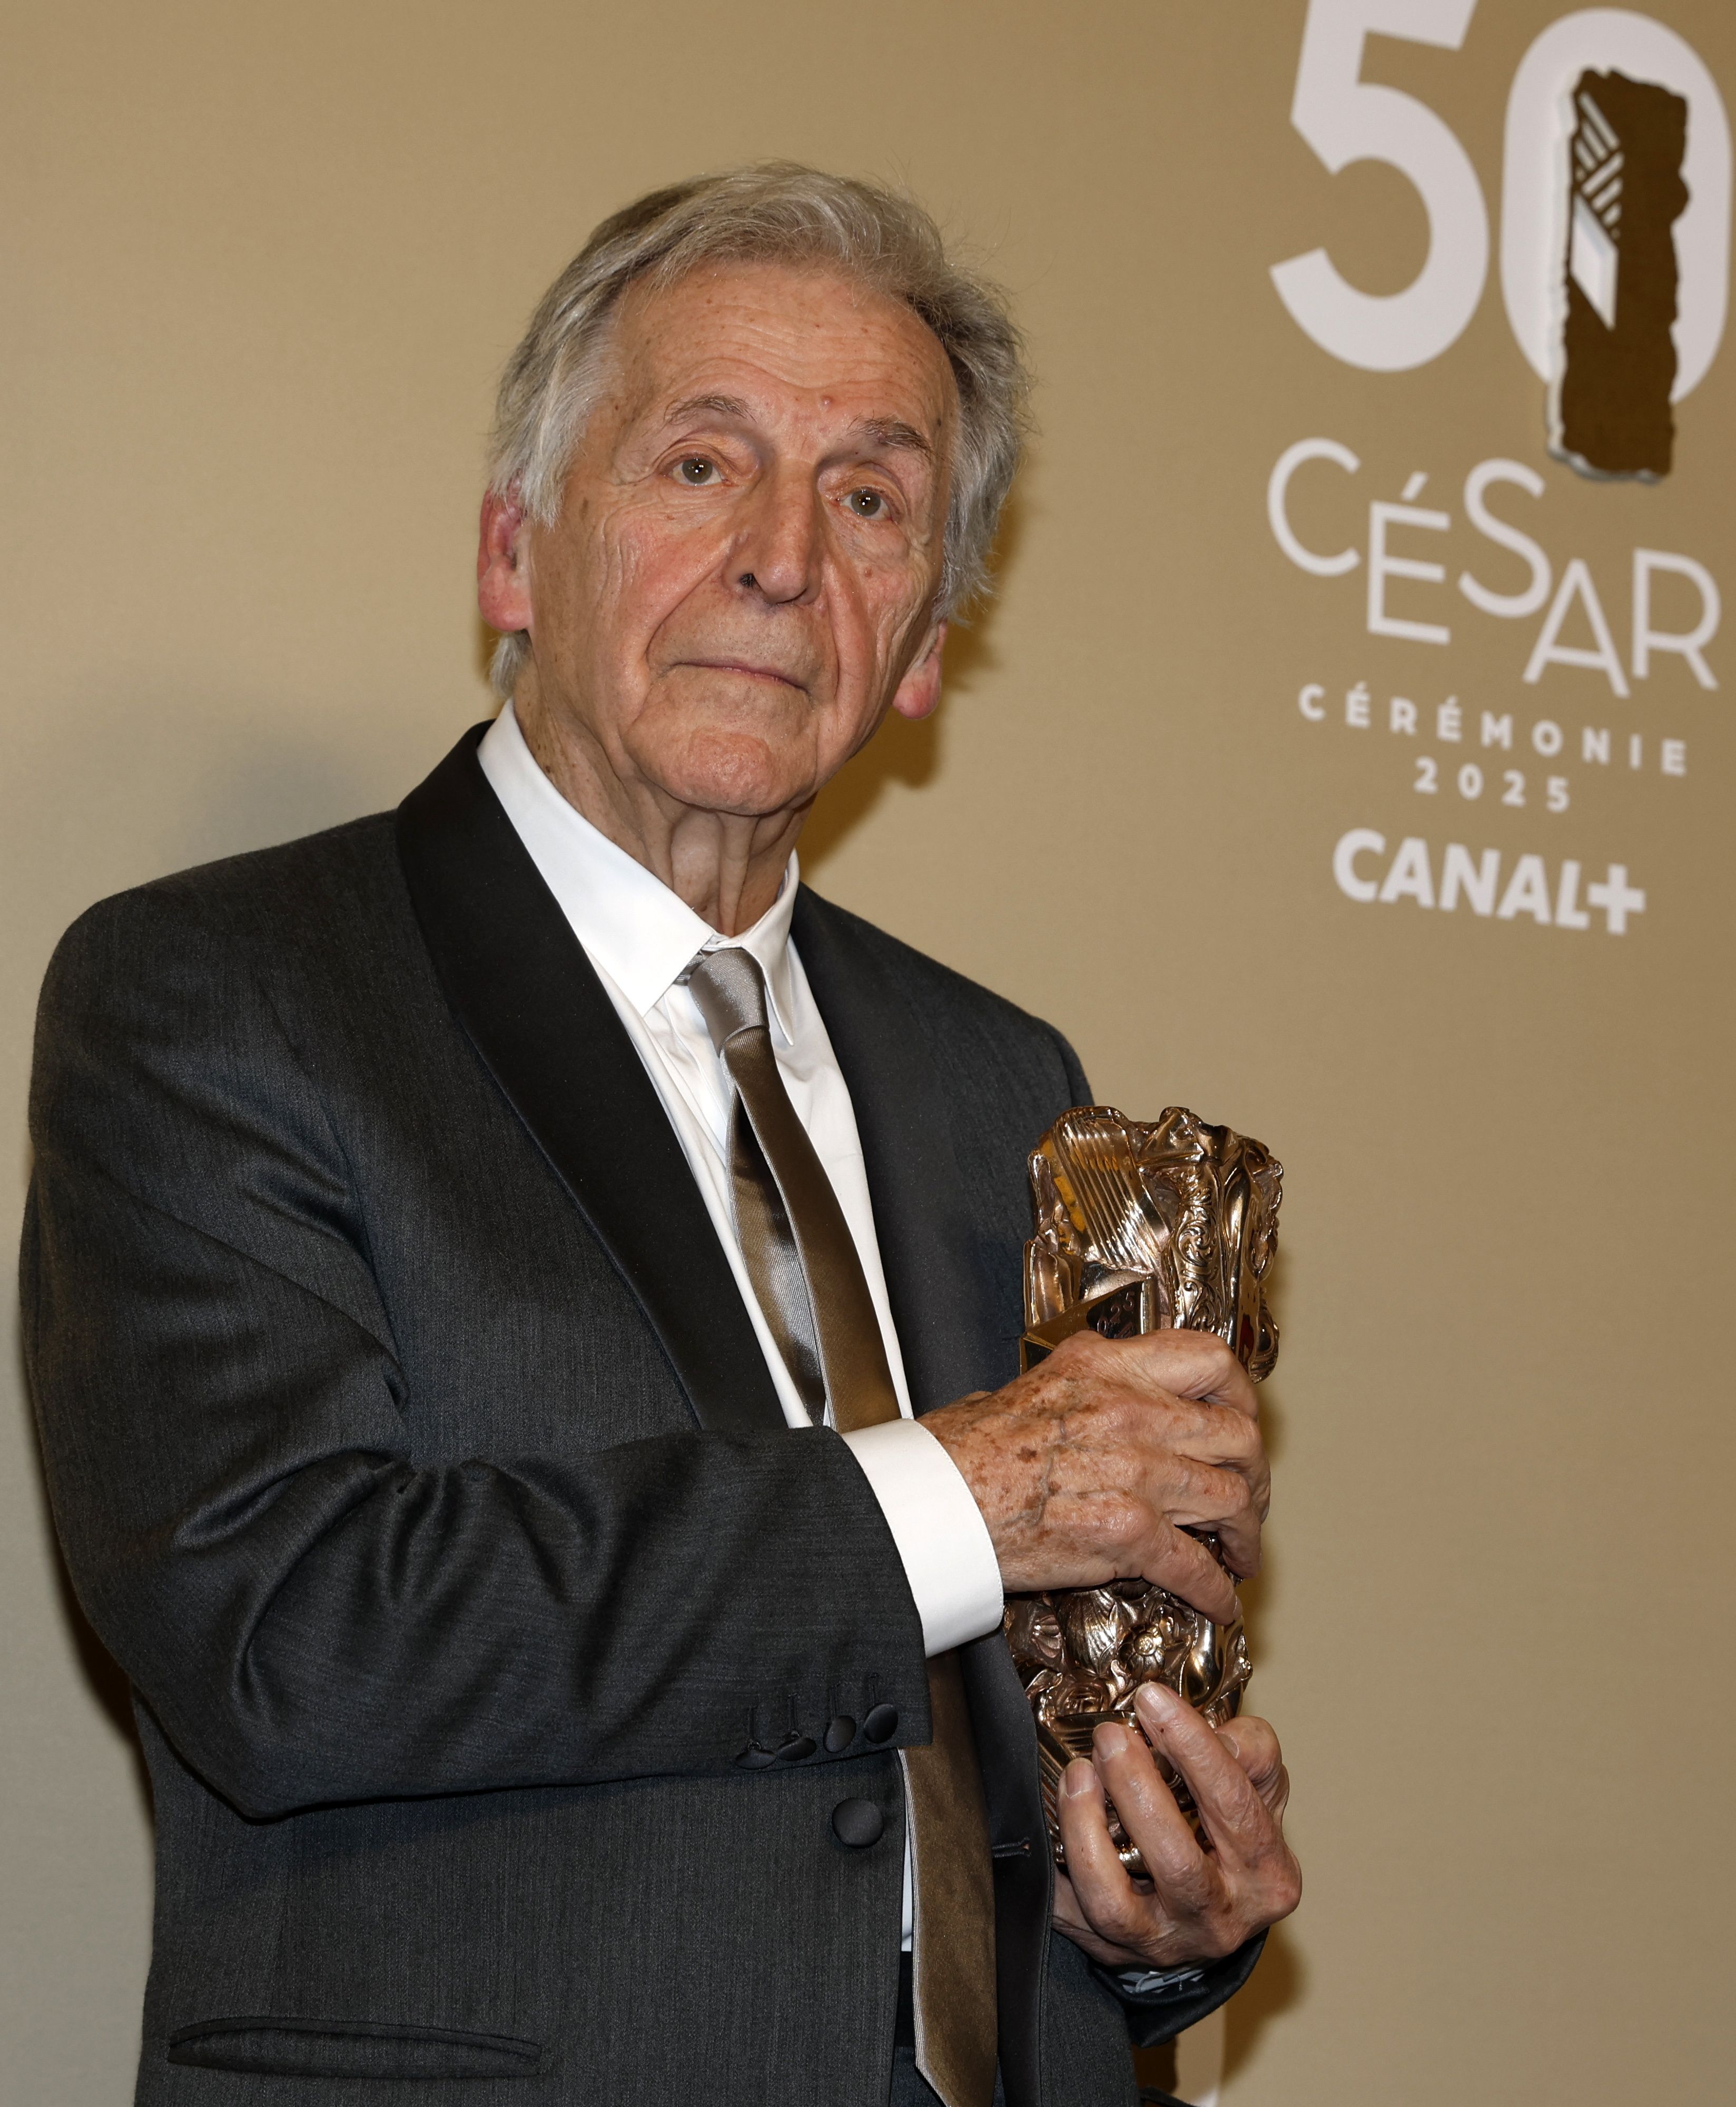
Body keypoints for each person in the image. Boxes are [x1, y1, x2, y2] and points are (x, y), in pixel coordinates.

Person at [23, 165, 1299, 2107]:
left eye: (871, 499)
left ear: (928, 643)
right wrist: (961, 1494)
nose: (786, 557)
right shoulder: (220, 991)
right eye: (703, 465)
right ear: (514, 554)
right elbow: (287, 1632)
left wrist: (1150, 1929)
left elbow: (967, 1790)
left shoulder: (1002, 1085)